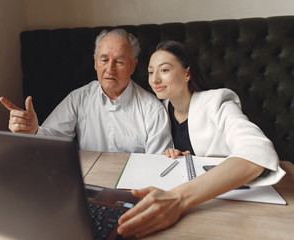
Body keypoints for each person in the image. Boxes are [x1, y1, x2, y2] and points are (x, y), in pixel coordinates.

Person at [117, 40, 286, 238]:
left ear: (187, 74)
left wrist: (177, 198)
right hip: (188, 207)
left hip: (231, 205)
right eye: (151, 71)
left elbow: (258, 151)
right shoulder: (158, 110)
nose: (154, 79)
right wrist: (175, 154)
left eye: (164, 70)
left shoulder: (218, 103)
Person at [0, 29, 173, 154]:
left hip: (133, 191)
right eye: (104, 60)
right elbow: (54, 137)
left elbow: (158, 167)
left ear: (133, 66)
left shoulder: (152, 109)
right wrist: (34, 131)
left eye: (119, 61)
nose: (109, 69)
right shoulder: (78, 98)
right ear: (95, 62)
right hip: (87, 188)